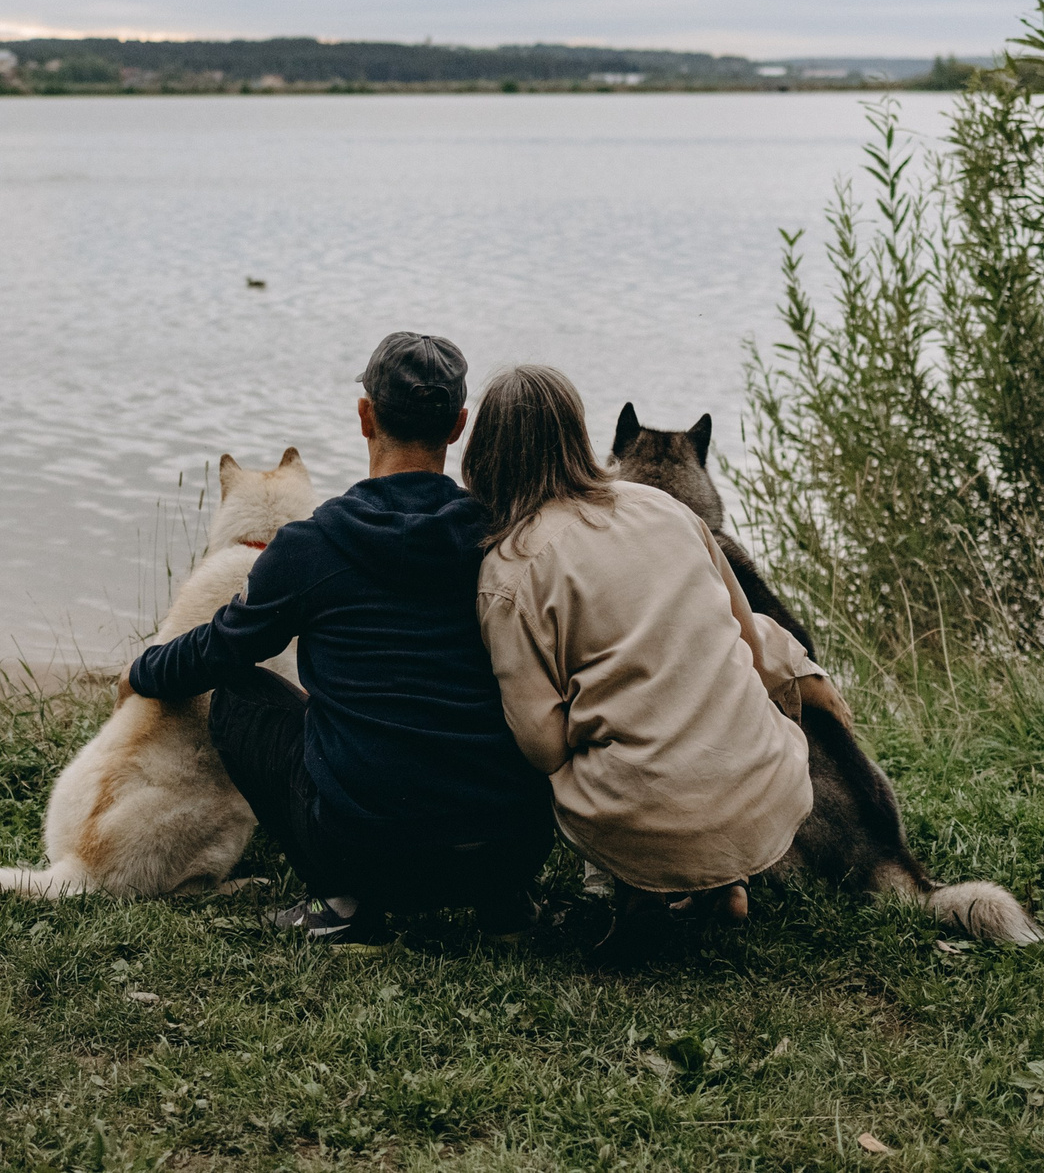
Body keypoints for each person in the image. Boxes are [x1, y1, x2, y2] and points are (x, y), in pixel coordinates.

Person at [123, 333, 557, 944]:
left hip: (370, 858)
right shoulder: (503, 535)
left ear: (364, 416)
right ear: (459, 426)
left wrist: (143, 669)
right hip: (506, 850)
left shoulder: (312, 545)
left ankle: (343, 905)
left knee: (240, 693)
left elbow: (219, 649)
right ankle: (507, 908)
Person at [462, 363, 828, 942]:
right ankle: (723, 884)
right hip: (770, 791)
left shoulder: (508, 568)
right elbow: (752, 647)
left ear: (483, 456)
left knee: (579, 746)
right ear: (581, 439)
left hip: (643, 822)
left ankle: (642, 887)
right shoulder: (666, 508)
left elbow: (542, 747)